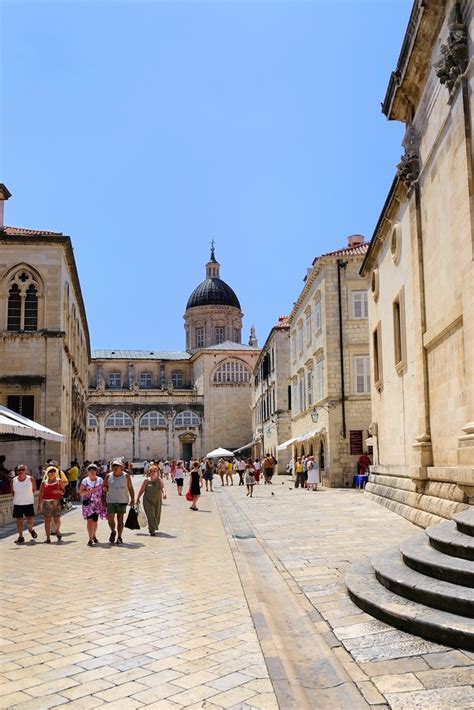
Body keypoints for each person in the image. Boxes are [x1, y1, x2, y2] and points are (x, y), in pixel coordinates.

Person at [103, 459, 135, 545]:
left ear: (121, 467)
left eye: (117, 466)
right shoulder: (108, 476)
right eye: (113, 466)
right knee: (110, 519)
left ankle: (119, 536)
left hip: (122, 500)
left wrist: (132, 499)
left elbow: (130, 488)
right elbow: (104, 489)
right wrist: (103, 500)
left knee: (120, 519)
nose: (115, 467)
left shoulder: (126, 476)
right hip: (111, 500)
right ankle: (113, 531)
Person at [79, 463, 107, 546]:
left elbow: (103, 491)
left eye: (94, 470)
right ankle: (90, 539)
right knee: (89, 521)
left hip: (97, 504)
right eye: (90, 470)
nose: (92, 471)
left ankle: (94, 535)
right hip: (88, 505)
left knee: (95, 521)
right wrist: (89, 491)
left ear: (96, 471)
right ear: (88, 472)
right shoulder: (85, 481)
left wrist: (104, 499)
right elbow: (80, 493)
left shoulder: (100, 480)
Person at [38, 466, 66, 543]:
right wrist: (39, 505)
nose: (52, 473)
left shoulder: (59, 481)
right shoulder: (44, 483)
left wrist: (58, 491)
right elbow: (40, 494)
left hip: (56, 502)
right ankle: (48, 538)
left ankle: (57, 530)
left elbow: (64, 492)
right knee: (47, 520)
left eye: (54, 471)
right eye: (50, 471)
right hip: (46, 503)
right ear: (47, 473)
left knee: (57, 519)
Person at [136, 464, 166, 535]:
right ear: (149, 472)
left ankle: (151, 528)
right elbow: (142, 490)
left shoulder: (159, 480)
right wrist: (137, 498)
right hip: (147, 501)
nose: (152, 472)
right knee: (150, 515)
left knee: (156, 515)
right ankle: (152, 531)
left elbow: (162, 488)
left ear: (157, 472)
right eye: (151, 471)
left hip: (157, 500)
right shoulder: (146, 480)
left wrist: (164, 494)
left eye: (154, 471)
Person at [11, 464, 37, 543]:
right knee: (19, 521)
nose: (21, 471)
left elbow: (34, 489)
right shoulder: (13, 480)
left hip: (28, 503)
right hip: (18, 503)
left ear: (26, 470)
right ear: (17, 471)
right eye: (19, 470)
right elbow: (12, 492)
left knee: (30, 519)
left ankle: (31, 529)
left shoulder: (30, 479)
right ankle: (21, 536)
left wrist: (27, 496)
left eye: (22, 469)